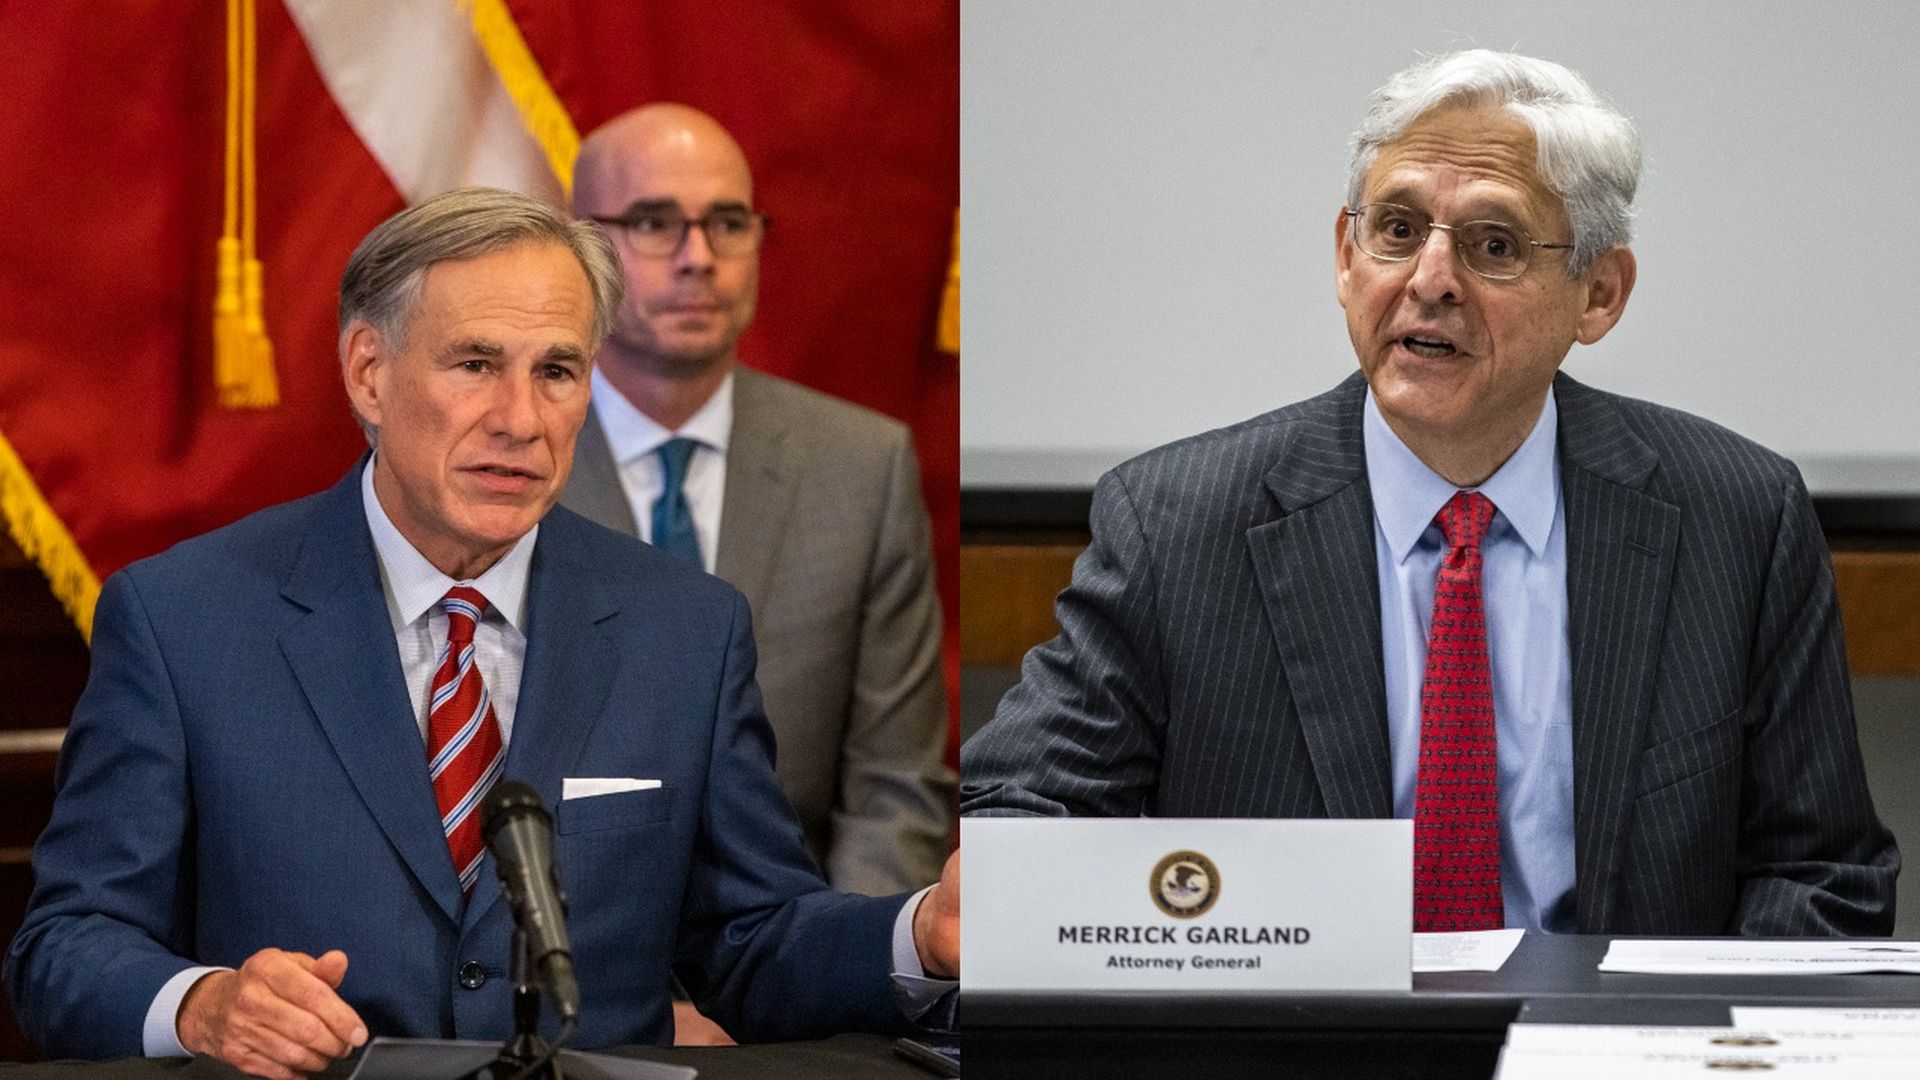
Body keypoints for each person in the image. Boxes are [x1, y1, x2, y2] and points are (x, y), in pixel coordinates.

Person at [4, 188, 959, 1077]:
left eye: (557, 372)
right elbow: (65, 945)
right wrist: (202, 1004)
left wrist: (918, 934)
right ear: (368, 373)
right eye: (474, 365)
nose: (521, 420)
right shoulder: (184, 619)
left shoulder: (687, 630)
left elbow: (752, 945)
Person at [961, 49, 1897, 936]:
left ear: (1599, 295)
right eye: (1398, 231)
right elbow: (1020, 812)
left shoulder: (1737, 519)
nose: (1430, 282)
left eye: (1493, 245)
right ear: (1345, 255)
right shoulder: (1176, 524)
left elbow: (1820, 874)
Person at [559, 103, 952, 898]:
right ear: (582, 247)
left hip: (791, 949)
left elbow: (894, 788)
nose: (698, 257)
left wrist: (834, 975)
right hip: (561, 964)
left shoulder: (860, 466)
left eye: (728, 222)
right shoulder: (513, 461)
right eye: (654, 222)